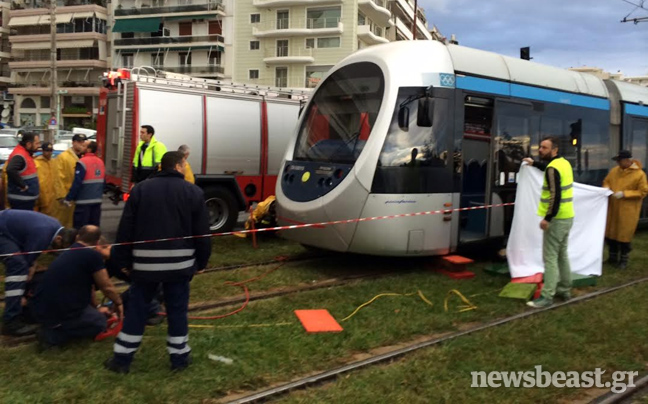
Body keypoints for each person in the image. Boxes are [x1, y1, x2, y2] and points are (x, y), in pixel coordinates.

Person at [105, 151, 210, 374]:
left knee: (136, 311)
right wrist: (201, 262)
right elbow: (202, 233)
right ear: (180, 167)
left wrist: (122, 260)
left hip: (144, 266)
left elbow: (126, 229)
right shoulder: (193, 192)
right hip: (180, 266)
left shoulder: (141, 190)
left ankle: (122, 360)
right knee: (177, 311)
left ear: (162, 167)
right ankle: (179, 359)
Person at [33, 225, 123, 349]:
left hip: (44, 305)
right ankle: (53, 335)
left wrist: (97, 307)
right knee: (100, 324)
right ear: (97, 242)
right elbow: (106, 286)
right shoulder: (92, 255)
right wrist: (118, 303)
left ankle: (54, 326)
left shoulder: (70, 252)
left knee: (97, 316)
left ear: (77, 237)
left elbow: (90, 286)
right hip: (63, 309)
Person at [0, 210, 77, 336]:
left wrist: (32, 265)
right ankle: (11, 321)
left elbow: (31, 255)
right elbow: (27, 260)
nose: (56, 251)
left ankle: (16, 308)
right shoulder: (43, 233)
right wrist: (22, 293)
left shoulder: (54, 226)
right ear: (59, 238)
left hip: (6, 228)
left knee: (22, 265)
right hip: (2, 231)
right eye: (60, 248)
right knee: (18, 266)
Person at [522, 136, 575, 308]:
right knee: (562, 254)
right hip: (568, 216)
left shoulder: (553, 168)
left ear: (554, 150)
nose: (540, 150)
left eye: (544, 148)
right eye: (540, 147)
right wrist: (534, 163)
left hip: (557, 219)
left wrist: (547, 218)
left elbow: (555, 195)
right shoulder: (563, 163)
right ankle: (565, 289)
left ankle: (547, 296)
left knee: (550, 257)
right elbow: (549, 169)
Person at [602, 150, 648, 269]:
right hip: (613, 208)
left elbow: (643, 191)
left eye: (620, 160)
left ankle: (623, 259)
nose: (618, 163)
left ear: (628, 160)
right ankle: (612, 258)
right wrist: (606, 188)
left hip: (628, 210)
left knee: (624, 236)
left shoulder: (639, 175)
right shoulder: (614, 171)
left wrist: (625, 194)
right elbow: (606, 181)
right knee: (611, 234)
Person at [65, 141, 106, 228]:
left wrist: (69, 198)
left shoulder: (82, 162)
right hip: (97, 201)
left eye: (84, 146)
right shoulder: (100, 162)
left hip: (83, 202)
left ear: (89, 149)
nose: (81, 147)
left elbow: (77, 182)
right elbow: (103, 181)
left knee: (81, 229)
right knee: (93, 229)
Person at [53, 134, 88, 227]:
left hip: (80, 197)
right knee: (65, 223)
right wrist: (62, 196)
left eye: (83, 142)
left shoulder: (84, 157)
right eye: (79, 142)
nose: (81, 144)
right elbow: (58, 177)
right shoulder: (63, 157)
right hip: (68, 197)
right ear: (73, 143)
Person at [5, 132, 41, 211]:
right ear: (28, 144)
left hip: (26, 200)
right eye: (37, 143)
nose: (39, 146)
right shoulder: (20, 155)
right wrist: (23, 186)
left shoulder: (25, 154)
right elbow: (10, 169)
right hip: (22, 201)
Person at [35, 142, 56, 217]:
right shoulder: (37, 163)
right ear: (43, 151)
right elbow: (40, 183)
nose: (49, 153)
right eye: (47, 151)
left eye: (50, 151)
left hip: (52, 199)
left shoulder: (53, 162)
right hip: (41, 200)